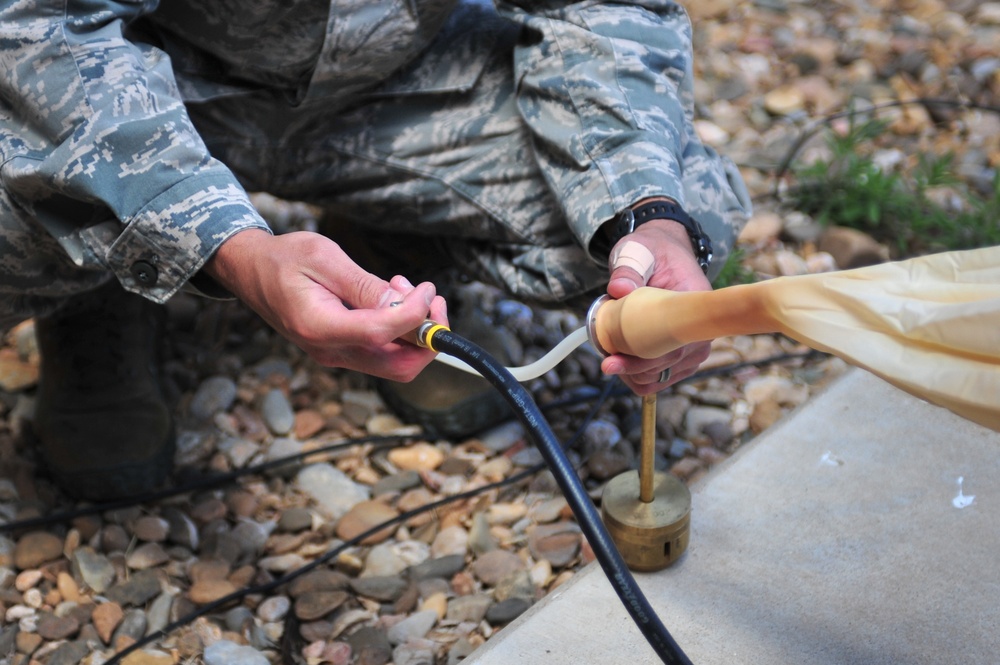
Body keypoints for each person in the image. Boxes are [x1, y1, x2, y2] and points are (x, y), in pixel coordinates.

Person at [0, 0, 751, 500]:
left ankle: (391, 241)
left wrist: (645, 217)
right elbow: (39, 27)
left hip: (393, 88)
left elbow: (601, 9)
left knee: (686, 201)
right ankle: (106, 283)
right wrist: (224, 246)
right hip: (141, 87)